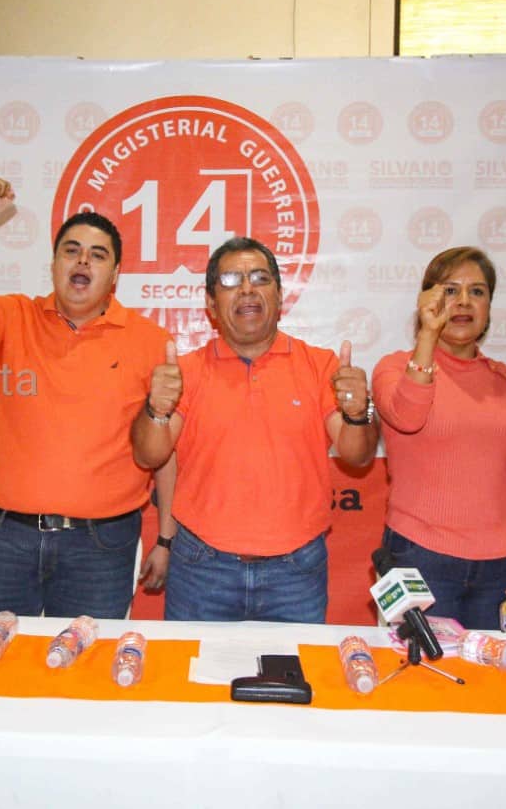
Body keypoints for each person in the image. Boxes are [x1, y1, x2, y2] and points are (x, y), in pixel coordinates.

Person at [0, 177, 174, 619]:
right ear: (54, 264)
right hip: (6, 539)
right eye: (71, 250)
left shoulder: (150, 342)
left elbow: (164, 450)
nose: (83, 261)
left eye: (98, 255)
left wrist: (165, 538)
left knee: (83, 661)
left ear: (115, 274)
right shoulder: (15, 318)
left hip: (99, 548)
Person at [131, 236, 378, 623]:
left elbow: (357, 454)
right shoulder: (186, 372)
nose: (247, 288)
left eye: (260, 278)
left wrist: (358, 413)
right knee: (192, 666)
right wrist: (155, 408)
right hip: (202, 569)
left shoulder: (320, 366)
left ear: (279, 296)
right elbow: (149, 455)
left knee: (292, 665)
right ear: (211, 304)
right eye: (231, 280)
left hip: (295, 573)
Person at [371, 247, 506, 631]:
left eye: (477, 292)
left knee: (492, 668)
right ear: (427, 301)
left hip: (501, 568)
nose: (464, 301)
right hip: (418, 557)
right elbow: (408, 416)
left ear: (489, 306)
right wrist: (428, 335)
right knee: (420, 667)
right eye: (450, 291)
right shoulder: (394, 368)